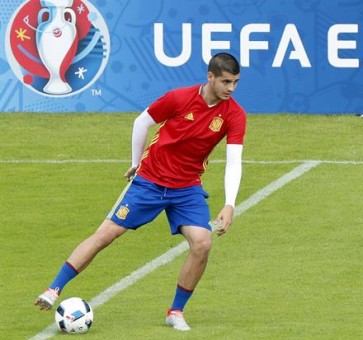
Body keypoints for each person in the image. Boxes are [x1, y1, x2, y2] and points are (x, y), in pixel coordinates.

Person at [34, 52, 246, 331]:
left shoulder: (234, 114)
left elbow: (234, 161)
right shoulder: (178, 98)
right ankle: (53, 289)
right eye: (226, 82)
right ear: (210, 77)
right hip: (150, 181)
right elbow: (141, 122)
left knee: (202, 243)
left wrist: (230, 203)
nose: (231, 88)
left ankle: (176, 311)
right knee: (106, 235)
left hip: (187, 187)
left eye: (235, 82)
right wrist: (136, 163)